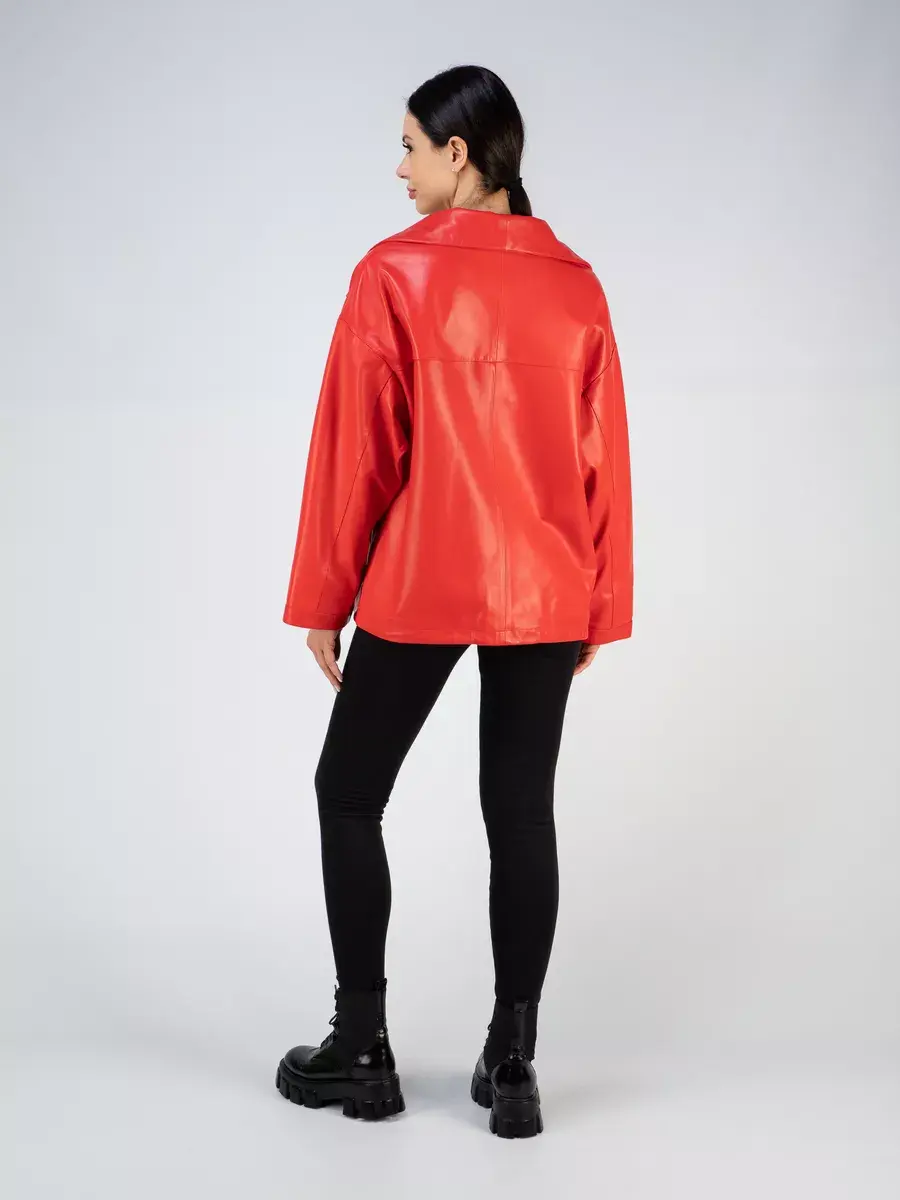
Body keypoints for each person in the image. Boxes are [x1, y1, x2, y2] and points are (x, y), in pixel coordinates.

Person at [274, 64, 634, 1138]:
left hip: (423, 574)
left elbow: (359, 451)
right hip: (546, 587)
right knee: (520, 813)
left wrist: (325, 594)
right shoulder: (578, 284)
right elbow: (603, 459)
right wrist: (599, 600)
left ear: (459, 153)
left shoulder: (394, 273)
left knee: (348, 792)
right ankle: (513, 1068)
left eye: (410, 147)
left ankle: (362, 1051)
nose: (400, 169)